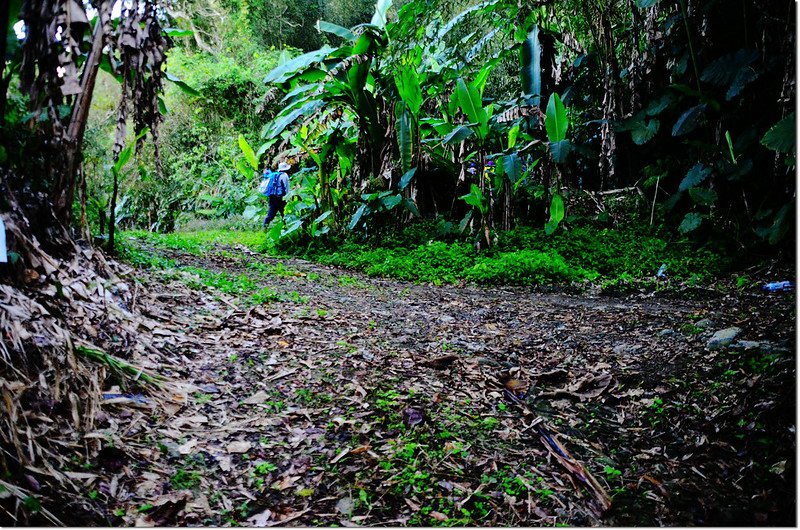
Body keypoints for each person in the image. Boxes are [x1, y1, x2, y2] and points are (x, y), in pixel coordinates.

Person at [263, 161, 291, 227]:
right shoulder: (285, 176)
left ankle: (265, 227)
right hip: (281, 197)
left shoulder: (274, 175)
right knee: (284, 213)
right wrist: (287, 197)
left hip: (272, 197)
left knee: (271, 214)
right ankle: (286, 227)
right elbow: (286, 187)